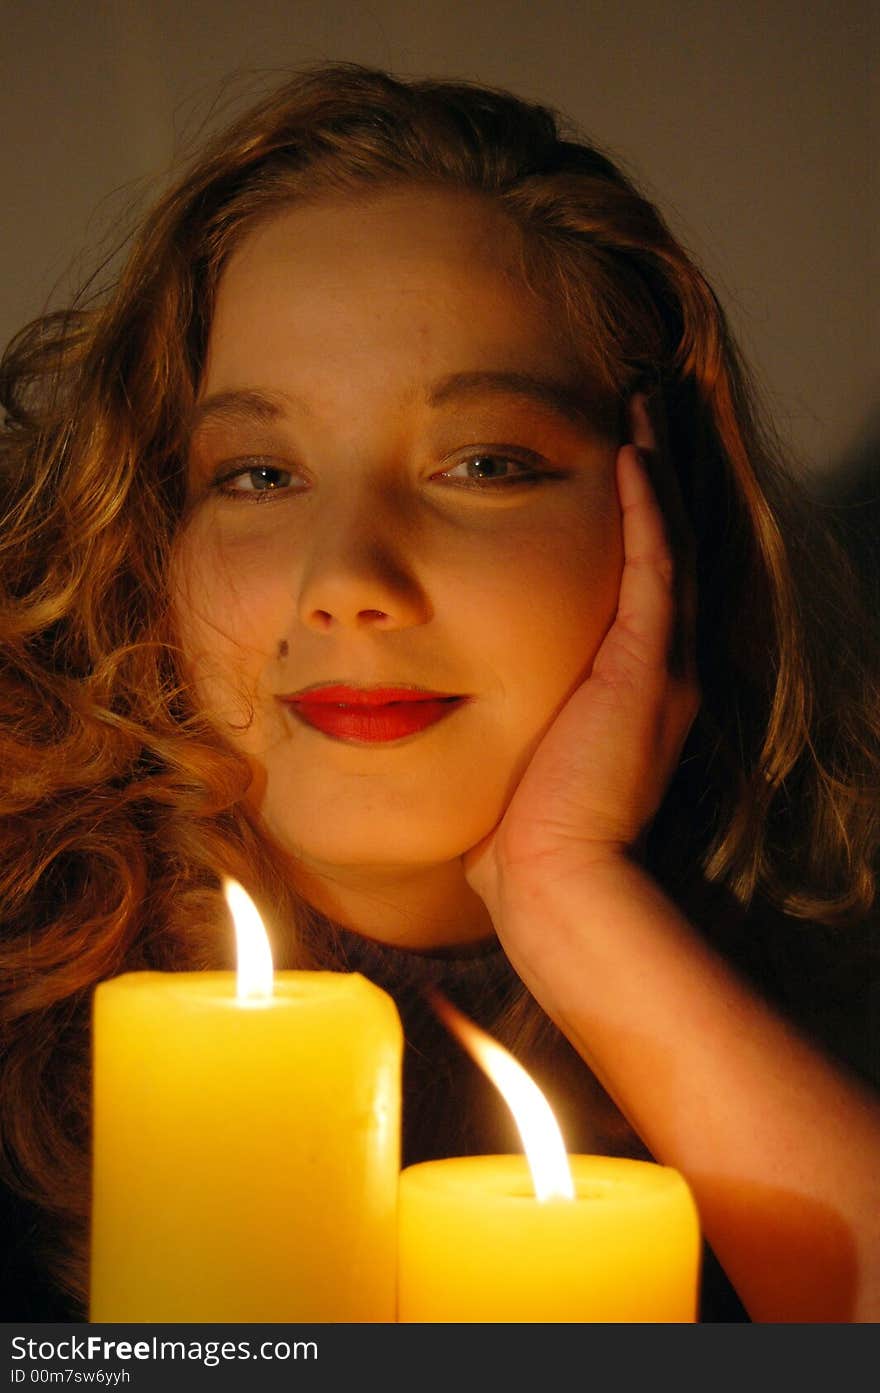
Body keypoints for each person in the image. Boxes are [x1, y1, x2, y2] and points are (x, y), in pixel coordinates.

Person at [1, 62, 878, 1325]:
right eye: (255, 474)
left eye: (483, 463)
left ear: (665, 528)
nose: (348, 580)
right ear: (146, 537)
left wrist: (570, 894)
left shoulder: (807, 1017)